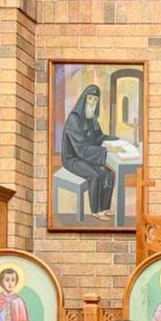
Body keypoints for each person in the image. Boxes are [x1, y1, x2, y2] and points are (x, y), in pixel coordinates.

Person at [60, 84, 117, 222]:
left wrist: (114, 140)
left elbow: (98, 137)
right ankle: (96, 211)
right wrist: (105, 150)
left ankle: (104, 208)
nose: (92, 102)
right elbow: (81, 149)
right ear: (84, 99)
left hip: (86, 155)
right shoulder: (74, 119)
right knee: (95, 175)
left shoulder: (92, 118)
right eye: (90, 98)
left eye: (95, 100)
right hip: (72, 158)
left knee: (109, 173)